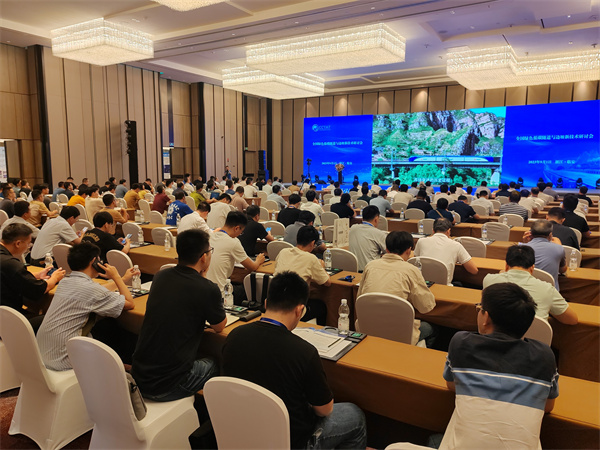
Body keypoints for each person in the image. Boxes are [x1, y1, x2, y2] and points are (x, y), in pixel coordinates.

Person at [222, 271, 367, 450]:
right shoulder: (304, 352)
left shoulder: (234, 336)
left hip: (242, 430)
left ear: (266, 303)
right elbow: (325, 409)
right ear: (299, 310)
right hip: (291, 441)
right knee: (354, 415)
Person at [441, 283, 559, 450]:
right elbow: (548, 406)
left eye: (480, 308)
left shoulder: (461, 343)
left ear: (486, 318)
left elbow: (451, 384)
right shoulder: (544, 356)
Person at [132, 229, 226, 401]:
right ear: (203, 257)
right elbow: (219, 326)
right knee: (215, 363)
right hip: (168, 386)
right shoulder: (207, 288)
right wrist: (205, 281)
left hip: (140, 377)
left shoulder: (160, 277)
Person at [36, 242, 136, 371]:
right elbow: (129, 303)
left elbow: (97, 291)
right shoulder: (92, 290)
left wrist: (123, 279)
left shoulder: (65, 282)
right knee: (112, 328)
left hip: (44, 355)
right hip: (64, 359)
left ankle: (120, 365)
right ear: (94, 262)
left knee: (105, 325)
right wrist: (116, 276)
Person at [358, 231, 436, 346]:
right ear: (409, 250)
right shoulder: (411, 270)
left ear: (386, 249)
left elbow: (360, 297)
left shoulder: (370, 266)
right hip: (400, 334)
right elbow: (426, 307)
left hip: (368, 328)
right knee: (431, 328)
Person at [483, 245, 577, 325]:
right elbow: (572, 320)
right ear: (532, 268)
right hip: (534, 340)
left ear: (506, 265)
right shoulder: (547, 289)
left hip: (497, 339)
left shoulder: (489, 280)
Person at [0, 224, 65, 321]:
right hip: (8, 319)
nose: (28, 247)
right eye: (28, 244)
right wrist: (55, 278)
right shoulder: (10, 263)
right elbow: (38, 289)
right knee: (53, 319)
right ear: (18, 243)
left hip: (4, 312)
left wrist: (37, 275)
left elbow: (7, 275)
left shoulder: (6, 261)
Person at [275, 225, 330, 324]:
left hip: (276, 304)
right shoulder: (311, 258)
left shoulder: (283, 252)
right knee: (321, 306)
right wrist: (322, 267)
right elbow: (327, 282)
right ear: (313, 243)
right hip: (295, 309)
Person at [205, 211, 265, 297]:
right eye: (241, 232)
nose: (239, 235)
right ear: (236, 228)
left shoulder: (209, 236)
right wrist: (259, 260)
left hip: (204, 288)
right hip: (219, 293)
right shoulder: (233, 242)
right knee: (248, 290)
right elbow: (252, 267)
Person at [414, 218, 477, 285]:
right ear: (448, 231)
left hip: (422, 284)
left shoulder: (421, 241)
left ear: (433, 230)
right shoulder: (456, 245)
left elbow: (416, 260)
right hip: (444, 286)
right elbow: (474, 270)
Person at [522, 220, 566, 290]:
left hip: (526, 290)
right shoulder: (559, 248)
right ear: (550, 235)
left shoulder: (520, 249)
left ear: (530, 233)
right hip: (550, 291)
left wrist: (525, 244)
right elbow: (562, 270)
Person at [349, 205, 386, 271]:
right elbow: (390, 253)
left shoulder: (353, 228)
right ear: (376, 218)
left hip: (354, 271)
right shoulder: (379, 234)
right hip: (372, 271)